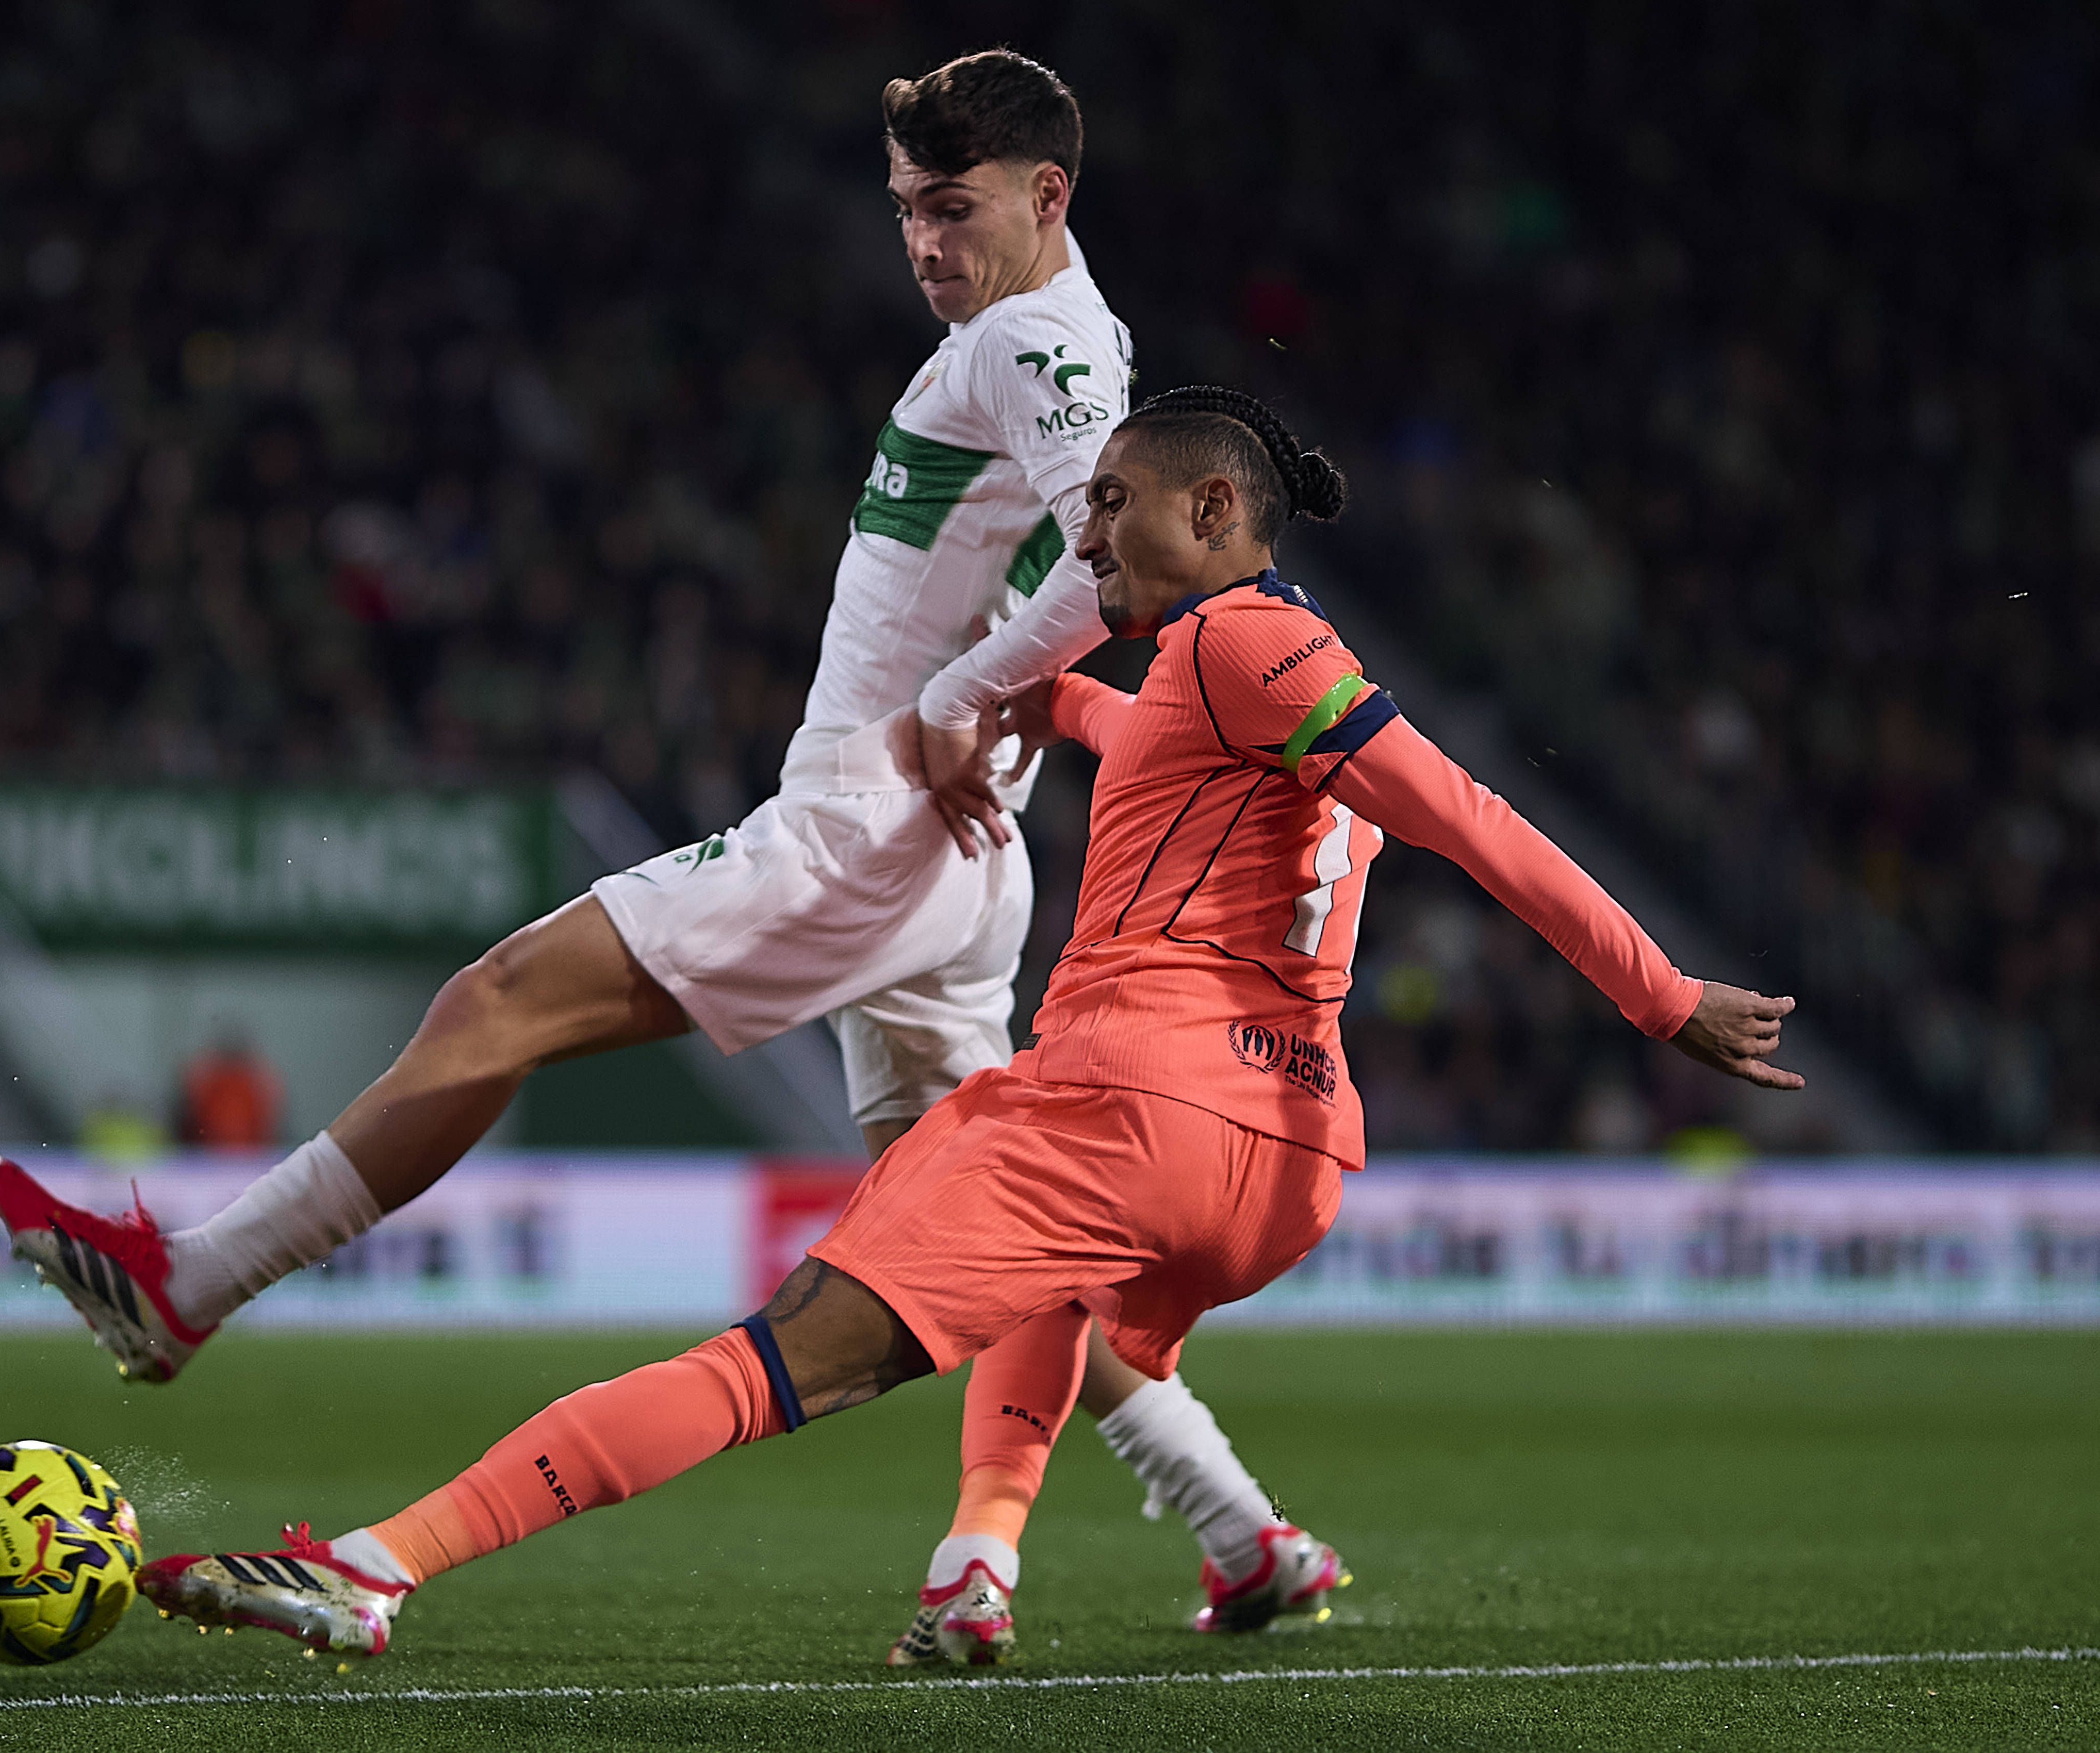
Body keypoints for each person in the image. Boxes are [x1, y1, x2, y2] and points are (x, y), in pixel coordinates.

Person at [0, 51, 1340, 1655]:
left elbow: (1117, 567)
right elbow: (1088, 555)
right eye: (904, 207)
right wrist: (990, 699)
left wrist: (962, 698)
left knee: (502, 999)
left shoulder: (1039, 341)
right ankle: (1238, 1528)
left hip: (870, 827)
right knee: (986, 1245)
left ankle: (190, 1287)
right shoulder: (1054, 336)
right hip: (951, 863)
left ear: (1048, 196)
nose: (921, 241)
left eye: (953, 207)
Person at [123, 388, 1804, 1663]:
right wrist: (1017, 692)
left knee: (774, 1362)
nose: (1088, 545)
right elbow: (1154, 736)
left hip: (1133, 1103)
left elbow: (1467, 812)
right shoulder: (1238, 682)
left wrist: (1661, 998)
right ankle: (1025, 1558)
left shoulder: (1248, 642)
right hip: (1288, 1162)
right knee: (1064, 1303)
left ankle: (372, 1566)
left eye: (1114, 510)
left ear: (1218, 506)